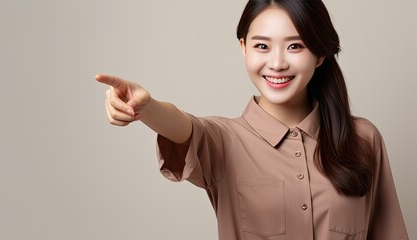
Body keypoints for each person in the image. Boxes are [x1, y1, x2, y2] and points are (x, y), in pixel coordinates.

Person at [95, 0, 408, 239]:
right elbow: (183, 127)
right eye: (262, 45)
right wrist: (147, 107)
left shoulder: (363, 138)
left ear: (320, 54)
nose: (277, 62)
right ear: (243, 48)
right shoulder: (224, 141)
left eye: (295, 46)